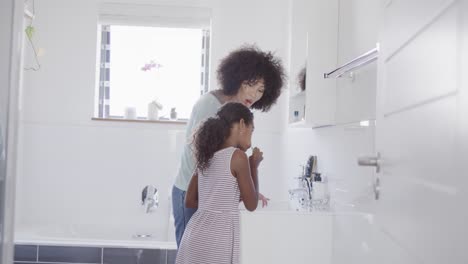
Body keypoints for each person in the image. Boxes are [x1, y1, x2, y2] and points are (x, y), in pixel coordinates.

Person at [171, 44, 286, 247]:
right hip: (190, 191)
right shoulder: (210, 105)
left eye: (261, 90)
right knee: (189, 254)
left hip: (205, 194)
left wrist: (246, 186)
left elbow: (226, 160)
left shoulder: (235, 112)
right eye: (251, 84)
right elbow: (204, 159)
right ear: (238, 78)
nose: (255, 94)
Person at [175, 102, 262, 264]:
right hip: (217, 238)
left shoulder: (206, 155)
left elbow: (189, 200)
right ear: (242, 124)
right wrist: (254, 167)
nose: (252, 135)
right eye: (252, 129)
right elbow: (252, 204)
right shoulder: (238, 157)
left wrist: (222, 201)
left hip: (194, 235)